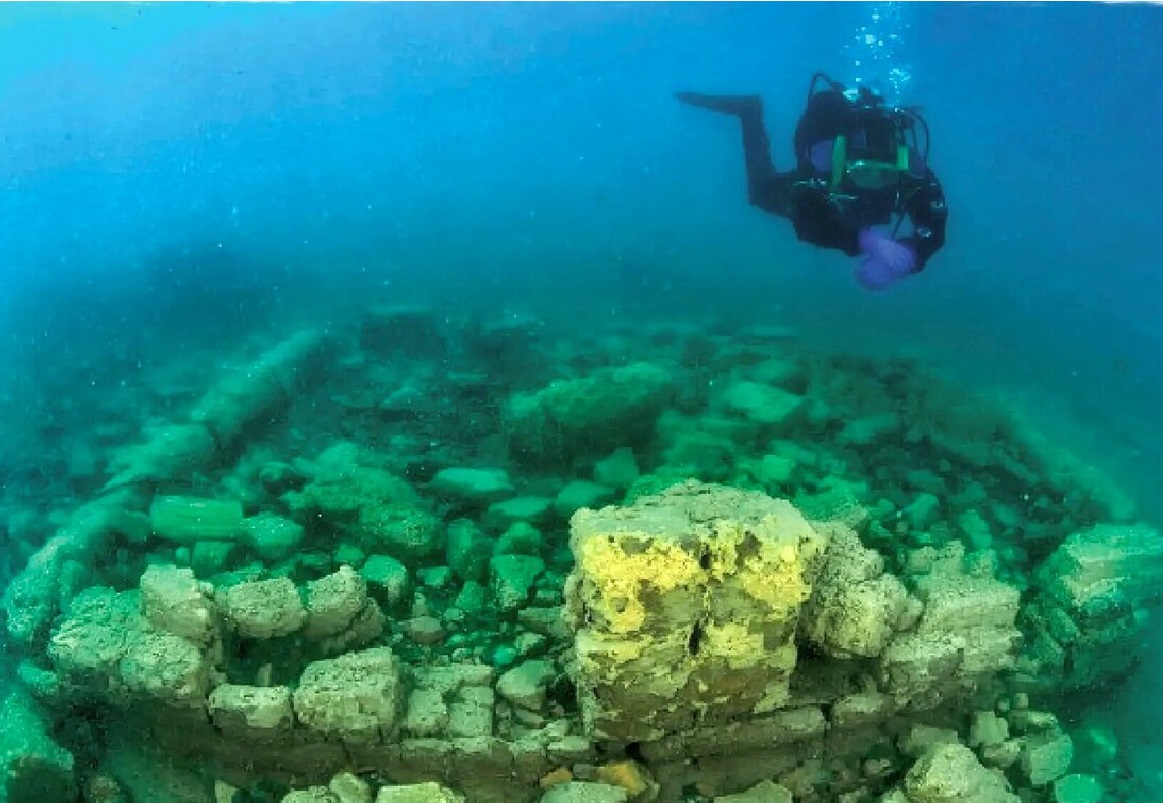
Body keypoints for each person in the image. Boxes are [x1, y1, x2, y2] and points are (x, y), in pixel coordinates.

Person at [676, 73, 948, 290]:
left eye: (885, 175)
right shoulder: (824, 165)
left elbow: (934, 225)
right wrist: (867, 241)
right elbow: (807, 225)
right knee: (760, 194)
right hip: (825, 193)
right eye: (865, 172)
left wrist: (910, 255)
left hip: (851, 193)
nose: (874, 183)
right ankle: (750, 113)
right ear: (846, 163)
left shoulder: (910, 169)